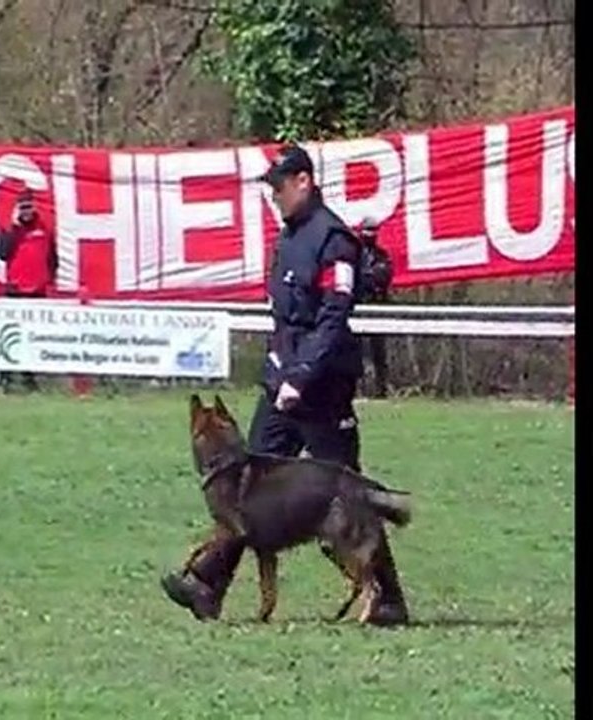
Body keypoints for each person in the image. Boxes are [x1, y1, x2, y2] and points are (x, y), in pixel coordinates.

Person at [159, 145, 410, 626]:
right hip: (284, 383)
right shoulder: (290, 238)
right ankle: (207, 585)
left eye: (278, 187)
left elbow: (333, 318)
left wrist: (301, 375)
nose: (273, 196)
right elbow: (285, 318)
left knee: (345, 490)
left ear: (304, 181)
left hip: (323, 386)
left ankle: (389, 599)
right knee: (242, 488)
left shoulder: (334, 240)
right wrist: (279, 370)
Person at [0, 188, 57, 392]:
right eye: (23, 208)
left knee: (32, 336)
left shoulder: (44, 228)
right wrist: (14, 227)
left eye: (29, 207)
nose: (26, 212)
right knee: (10, 333)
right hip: (15, 289)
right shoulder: (11, 230)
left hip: (37, 291)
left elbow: (52, 258)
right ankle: (5, 377)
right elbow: (3, 254)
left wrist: (48, 279)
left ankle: (29, 378)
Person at [358, 217, 394, 398]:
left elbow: (384, 276)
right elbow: (356, 279)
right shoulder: (354, 254)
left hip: (377, 307)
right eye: (367, 230)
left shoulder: (382, 255)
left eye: (373, 231)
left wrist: (371, 278)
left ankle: (381, 390)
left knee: (379, 351)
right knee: (358, 352)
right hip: (357, 309)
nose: (370, 234)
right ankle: (360, 390)